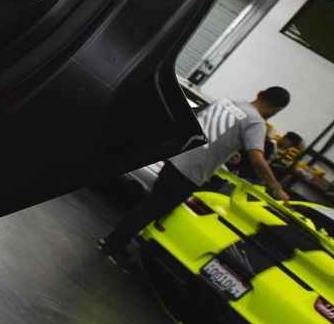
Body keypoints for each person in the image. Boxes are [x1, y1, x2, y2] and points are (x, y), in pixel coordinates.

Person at [99, 86, 291, 261]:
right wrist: (276, 188)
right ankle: (113, 245)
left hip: (178, 157)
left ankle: (115, 243)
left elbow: (201, 123)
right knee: (150, 209)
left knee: (150, 204)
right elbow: (257, 159)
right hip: (191, 171)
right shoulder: (256, 122)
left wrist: (229, 151)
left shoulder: (227, 101)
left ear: (259, 93)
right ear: (277, 109)